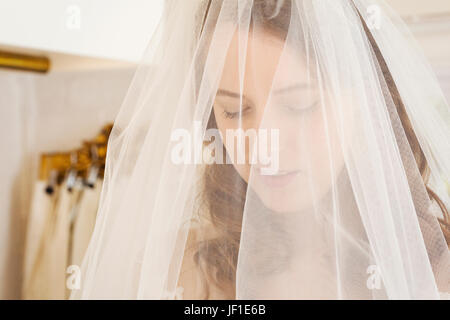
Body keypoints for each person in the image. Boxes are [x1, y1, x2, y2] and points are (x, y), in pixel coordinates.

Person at [73, 0, 450, 299]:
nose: (264, 146)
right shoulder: (182, 268)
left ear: (367, 104)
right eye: (235, 111)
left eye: (300, 105)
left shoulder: (433, 263)